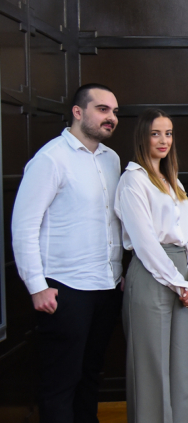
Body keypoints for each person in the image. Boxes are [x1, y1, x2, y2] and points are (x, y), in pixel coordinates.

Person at [11, 84, 123, 423]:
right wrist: (36, 286)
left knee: (91, 377)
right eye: (102, 109)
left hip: (106, 289)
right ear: (78, 112)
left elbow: (114, 222)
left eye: (114, 111)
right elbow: (24, 226)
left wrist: (118, 273)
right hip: (65, 290)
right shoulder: (50, 159)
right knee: (60, 383)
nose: (111, 117)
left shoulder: (112, 159)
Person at [115, 108, 188, 423]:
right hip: (151, 274)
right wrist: (180, 283)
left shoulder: (172, 180)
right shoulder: (133, 180)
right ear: (143, 137)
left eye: (168, 133)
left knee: (179, 368)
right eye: (155, 134)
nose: (164, 140)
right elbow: (145, 243)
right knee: (150, 370)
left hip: (182, 275)